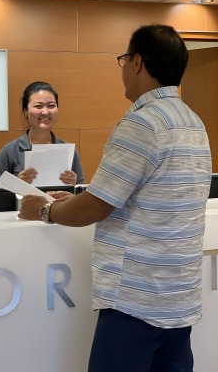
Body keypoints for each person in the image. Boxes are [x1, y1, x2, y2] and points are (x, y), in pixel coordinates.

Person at [18, 24, 212, 372]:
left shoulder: (142, 123)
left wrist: (46, 210)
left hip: (136, 300)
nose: (122, 69)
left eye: (123, 60)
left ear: (137, 62)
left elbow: (95, 206)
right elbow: (135, 193)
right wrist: (76, 198)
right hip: (178, 297)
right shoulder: (193, 122)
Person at [0, 81, 84, 185]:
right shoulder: (9, 152)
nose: (45, 112)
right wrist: (16, 184)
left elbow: (81, 193)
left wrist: (74, 185)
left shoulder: (69, 151)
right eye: (38, 106)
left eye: (51, 105)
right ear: (25, 110)